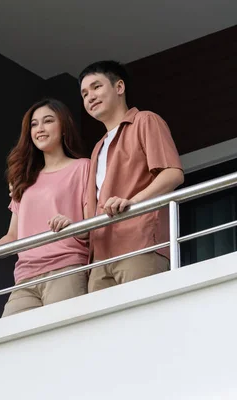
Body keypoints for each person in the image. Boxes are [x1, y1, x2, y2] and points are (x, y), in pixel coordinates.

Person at [0, 98, 91, 317]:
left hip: (66, 268)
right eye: (34, 124)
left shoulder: (82, 167)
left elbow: (91, 226)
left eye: (48, 121)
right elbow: (13, 236)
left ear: (64, 127)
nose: (40, 129)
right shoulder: (25, 180)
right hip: (25, 276)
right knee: (11, 341)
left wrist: (71, 225)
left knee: (62, 340)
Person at [79, 60, 184, 292]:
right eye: (84, 93)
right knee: (103, 328)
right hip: (100, 257)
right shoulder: (98, 147)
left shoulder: (145, 121)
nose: (90, 97)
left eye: (96, 87)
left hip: (139, 243)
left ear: (119, 87)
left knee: (142, 323)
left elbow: (173, 174)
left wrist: (133, 201)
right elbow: (92, 209)